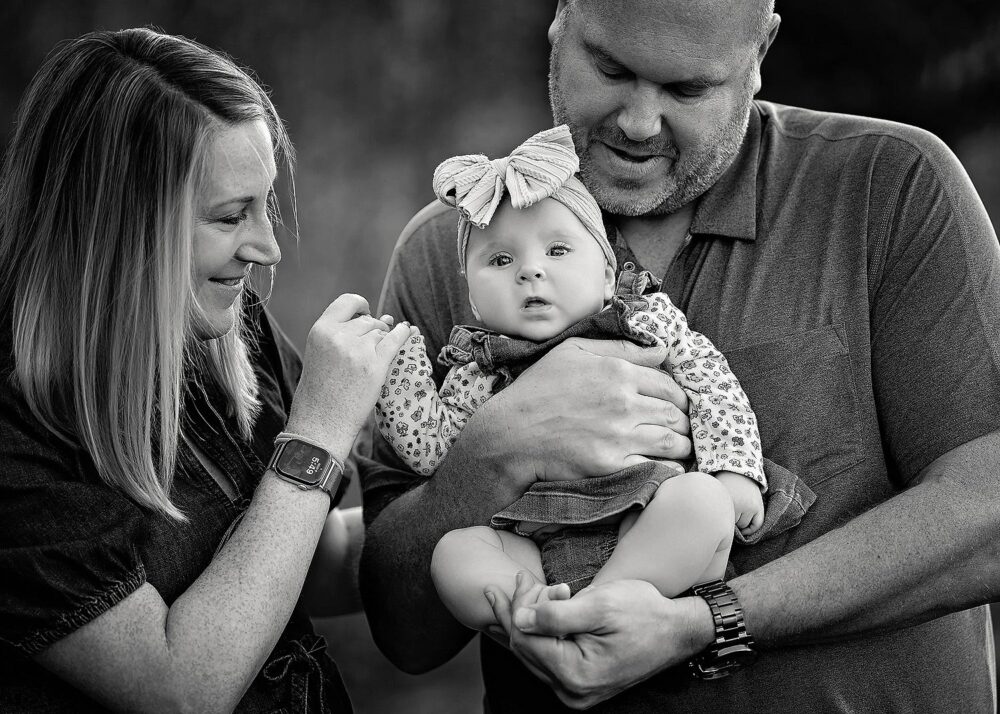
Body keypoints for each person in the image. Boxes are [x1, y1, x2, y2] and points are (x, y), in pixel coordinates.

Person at [357, 0, 1000, 711]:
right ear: (560, 21)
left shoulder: (891, 185)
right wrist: (491, 457)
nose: (637, 121)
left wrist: (707, 621)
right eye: (610, 68)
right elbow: (404, 631)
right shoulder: (461, 243)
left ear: (761, 52)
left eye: (686, 90)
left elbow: (989, 511)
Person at [0, 28, 413, 712]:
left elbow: (294, 567)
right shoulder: (19, 432)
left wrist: (491, 494)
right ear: (122, 225)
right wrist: (317, 433)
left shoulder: (222, 326)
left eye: (268, 203)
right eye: (230, 216)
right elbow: (181, 690)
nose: (268, 246)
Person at [374, 124, 805, 632]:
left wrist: (732, 469)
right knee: (454, 553)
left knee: (703, 503)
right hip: (538, 545)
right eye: (501, 260)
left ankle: (599, 606)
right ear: (472, 298)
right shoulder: (478, 370)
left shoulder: (642, 321)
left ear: (606, 272)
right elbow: (432, 449)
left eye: (558, 251)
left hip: (647, 521)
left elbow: (711, 381)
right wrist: (396, 366)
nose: (530, 272)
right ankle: (541, 619)